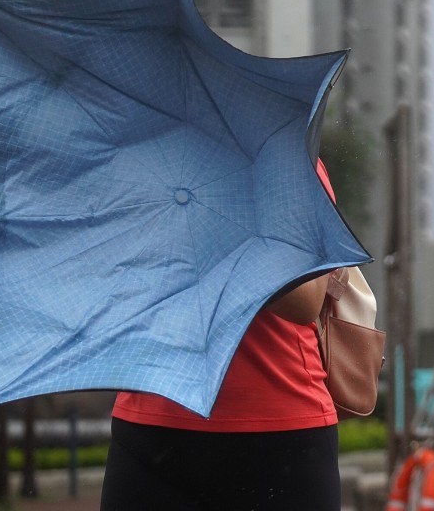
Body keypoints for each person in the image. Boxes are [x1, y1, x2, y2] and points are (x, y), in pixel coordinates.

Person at [100, 158, 343, 511]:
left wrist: (217, 223)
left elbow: (304, 301)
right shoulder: (145, 160)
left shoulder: (289, 162)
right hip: (152, 424)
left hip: (279, 430)